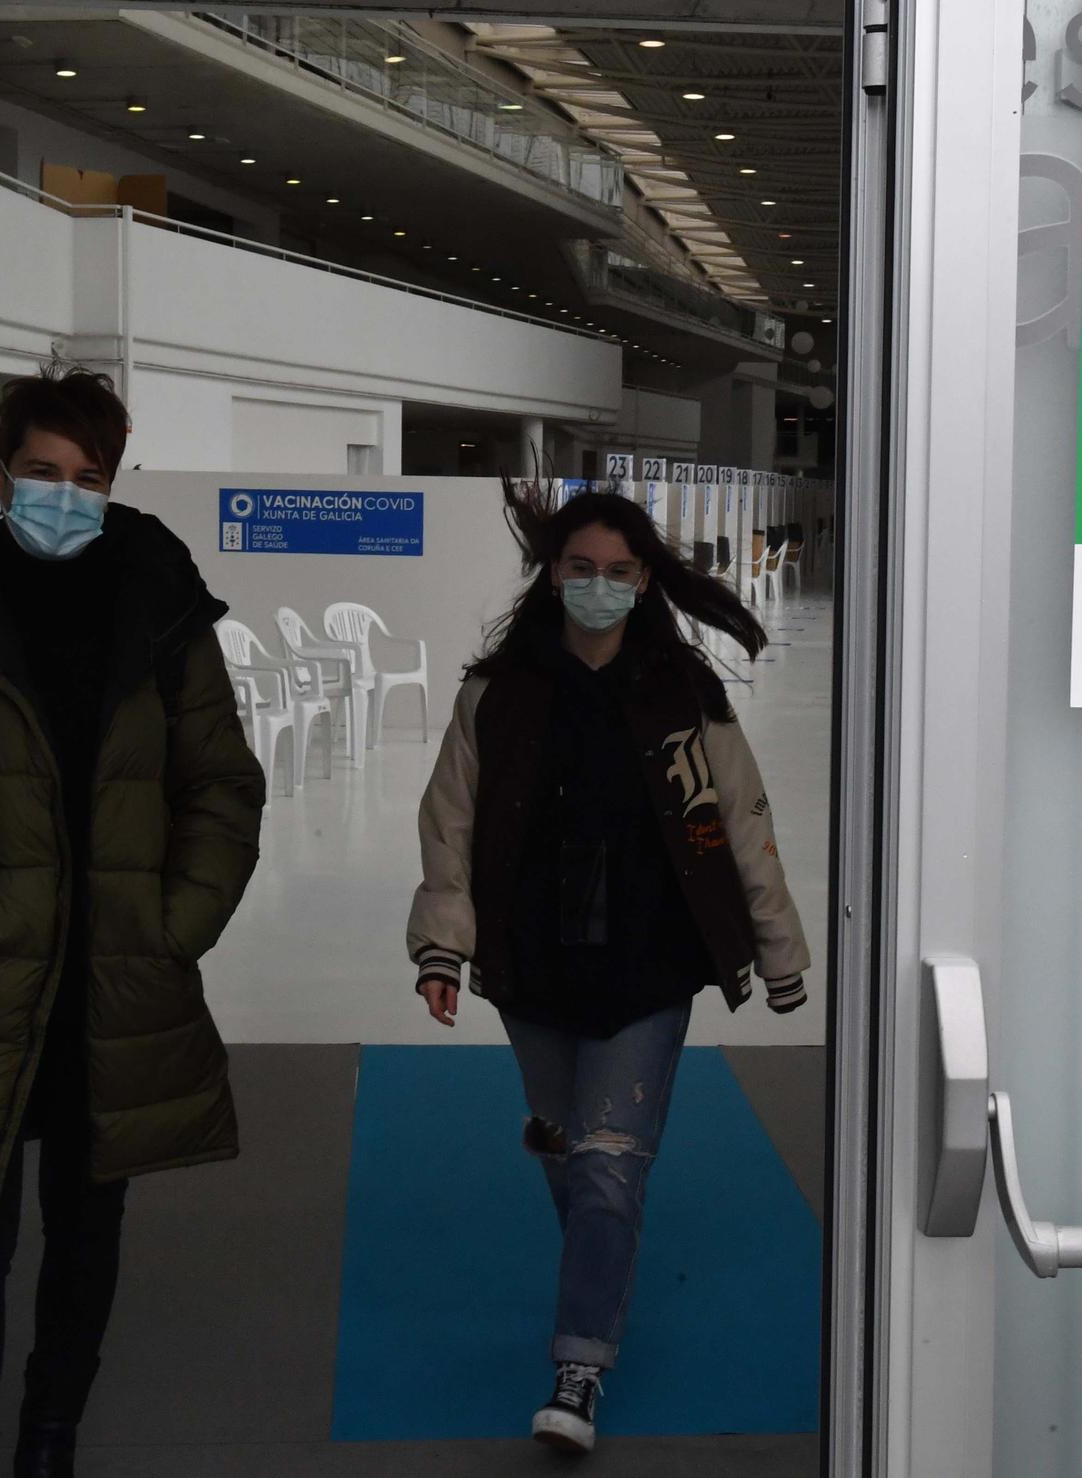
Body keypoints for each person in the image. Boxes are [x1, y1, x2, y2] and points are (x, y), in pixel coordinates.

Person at [0, 366, 266, 1478]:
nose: (62, 495)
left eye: (87, 478)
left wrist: (171, 926)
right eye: (41, 473)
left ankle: (50, 1433)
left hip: (112, 979)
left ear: (112, 484)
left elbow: (222, 785)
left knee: (85, 1228)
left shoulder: (158, 607)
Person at [407, 484, 810, 1455]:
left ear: (643, 582)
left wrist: (776, 946)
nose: (599, 586)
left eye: (619, 572)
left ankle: (579, 1366)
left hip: (646, 964)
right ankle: (601, 1258)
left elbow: (737, 821)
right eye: (581, 568)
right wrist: (442, 944)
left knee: (605, 1166)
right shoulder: (496, 694)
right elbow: (449, 824)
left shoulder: (684, 695)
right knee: (568, 1155)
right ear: (552, 574)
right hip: (531, 963)